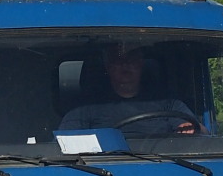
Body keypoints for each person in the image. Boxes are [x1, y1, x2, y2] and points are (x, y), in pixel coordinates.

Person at [58, 45, 203, 136]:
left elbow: (203, 134)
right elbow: (64, 143)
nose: (125, 65)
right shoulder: (85, 108)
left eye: (132, 59)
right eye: (118, 60)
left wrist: (190, 128)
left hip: (165, 166)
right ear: (108, 67)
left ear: (141, 64)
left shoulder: (169, 103)